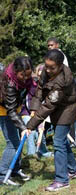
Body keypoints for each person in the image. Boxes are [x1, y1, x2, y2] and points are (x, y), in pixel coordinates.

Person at [26, 49, 76, 192]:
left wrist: (30, 125)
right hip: (58, 111)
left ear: (60, 65)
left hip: (67, 111)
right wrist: (33, 108)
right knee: (62, 142)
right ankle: (73, 170)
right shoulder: (47, 71)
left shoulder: (62, 82)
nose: (48, 70)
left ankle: (62, 180)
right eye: (46, 66)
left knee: (58, 143)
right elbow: (40, 90)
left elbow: (48, 106)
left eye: (52, 68)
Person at [0, 56, 32, 185]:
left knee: (19, 141)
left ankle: (14, 170)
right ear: (15, 71)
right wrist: (23, 127)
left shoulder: (24, 79)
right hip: (5, 112)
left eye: (28, 75)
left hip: (15, 110)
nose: (25, 79)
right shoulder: (9, 83)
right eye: (22, 75)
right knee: (12, 143)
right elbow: (10, 110)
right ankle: (2, 175)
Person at [20, 64, 53, 158]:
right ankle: (31, 153)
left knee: (41, 131)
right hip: (26, 111)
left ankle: (43, 151)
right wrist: (33, 114)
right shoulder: (32, 84)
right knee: (31, 131)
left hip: (39, 111)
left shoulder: (47, 84)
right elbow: (29, 100)